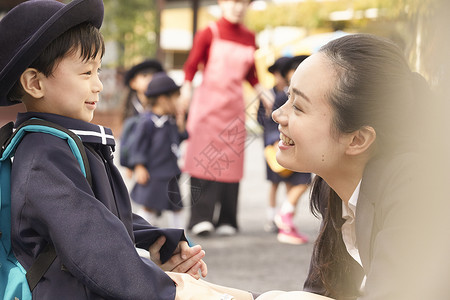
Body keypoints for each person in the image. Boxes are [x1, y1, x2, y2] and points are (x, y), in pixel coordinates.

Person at [0, 0, 207, 298]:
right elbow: (92, 243)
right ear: (34, 82)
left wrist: (160, 239)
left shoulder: (63, 142)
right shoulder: (44, 153)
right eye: (86, 73)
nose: (98, 85)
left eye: (98, 71)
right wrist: (168, 290)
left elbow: (104, 213)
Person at [269, 33, 450, 299]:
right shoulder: (334, 187)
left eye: (298, 106)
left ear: (357, 139)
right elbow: (322, 294)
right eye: (287, 98)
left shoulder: (417, 189)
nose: (277, 114)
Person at [179, 0, 273, 236]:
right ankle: (201, 218)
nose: (238, 7)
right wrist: (184, 92)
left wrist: (263, 92)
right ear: (222, 3)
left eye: (243, 3)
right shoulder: (209, 32)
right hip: (207, 106)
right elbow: (191, 67)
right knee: (204, 158)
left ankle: (227, 219)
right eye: (233, 2)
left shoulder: (250, 37)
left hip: (234, 107)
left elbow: (251, 74)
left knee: (231, 160)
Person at [257, 56, 311, 245]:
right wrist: (272, 141)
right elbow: (265, 121)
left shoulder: (290, 93)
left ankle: (286, 221)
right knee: (282, 182)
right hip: (277, 145)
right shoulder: (276, 96)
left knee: (293, 182)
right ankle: (279, 216)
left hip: (287, 144)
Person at [129, 72, 187, 228]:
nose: (179, 101)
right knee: (149, 205)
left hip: (171, 172)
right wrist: (139, 165)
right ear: (162, 99)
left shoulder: (171, 121)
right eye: (176, 97)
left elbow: (180, 138)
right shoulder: (147, 122)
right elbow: (138, 145)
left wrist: (180, 123)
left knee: (177, 207)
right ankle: (139, 233)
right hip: (154, 173)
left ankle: (180, 236)